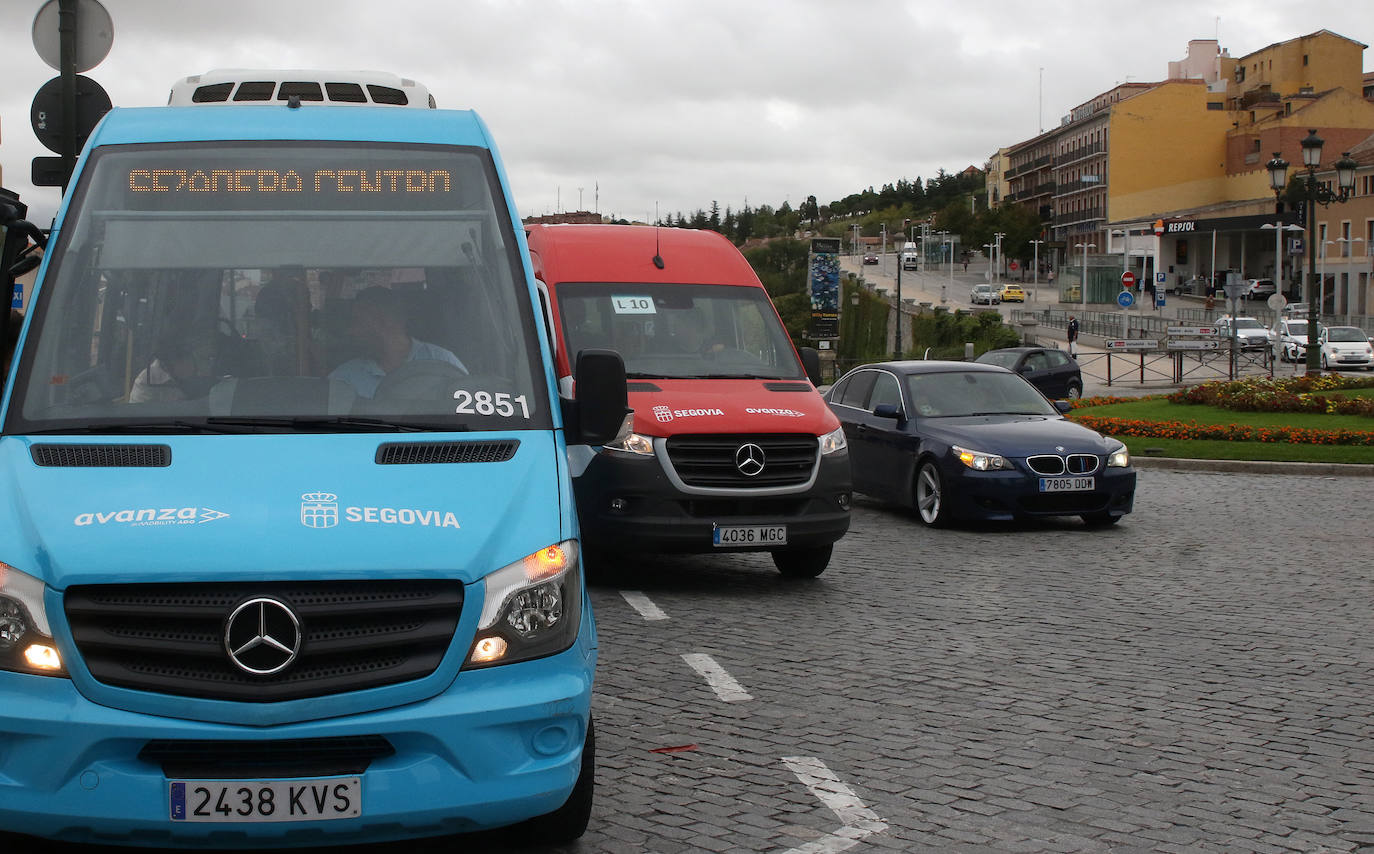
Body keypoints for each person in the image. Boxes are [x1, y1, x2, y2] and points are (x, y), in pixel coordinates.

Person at [329, 286, 466, 398]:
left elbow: (471, 416)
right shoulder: (344, 379)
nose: (351, 332)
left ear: (384, 322)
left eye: (357, 322)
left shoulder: (444, 363)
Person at [130, 333, 198, 403]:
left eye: (188, 356)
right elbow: (138, 411)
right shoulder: (146, 379)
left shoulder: (200, 376)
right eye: (180, 357)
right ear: (165, 363)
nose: (188, 364)